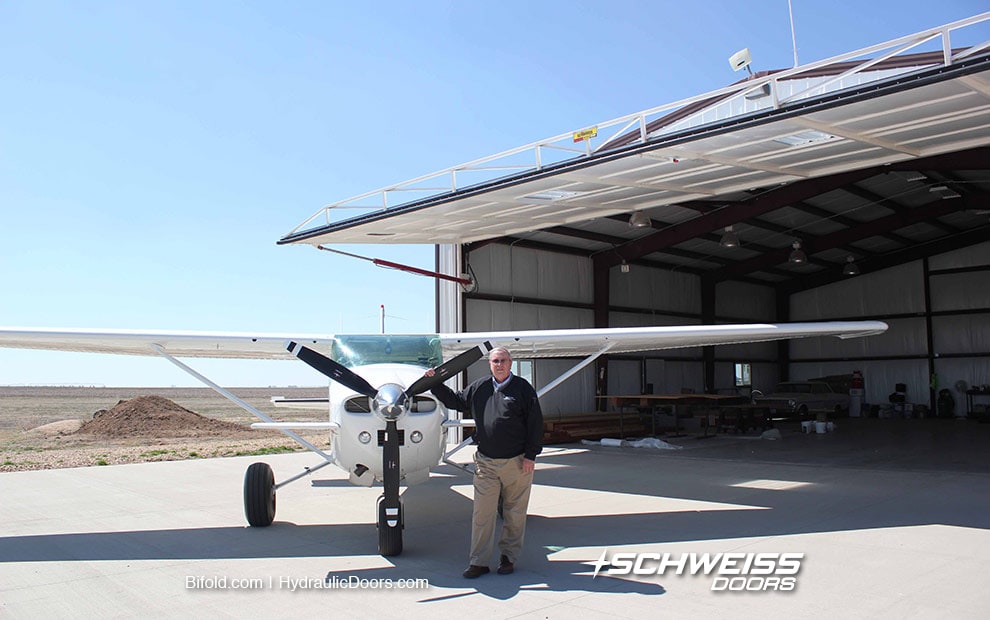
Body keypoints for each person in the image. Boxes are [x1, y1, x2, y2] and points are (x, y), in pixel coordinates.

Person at [424, 347, 543, 578]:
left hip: (517, 462)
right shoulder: (479, 387)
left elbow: (535, 424)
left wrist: (531, 455)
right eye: (495, 361)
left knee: (514, 513)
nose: (499, 364)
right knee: (482, 513)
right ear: (490, 364)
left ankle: (508, 557)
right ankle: (479, 561)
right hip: (486, 463)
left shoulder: (523, 389)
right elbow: (455, 401)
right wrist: (434, 382)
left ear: (510, 363)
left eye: (503, 360)